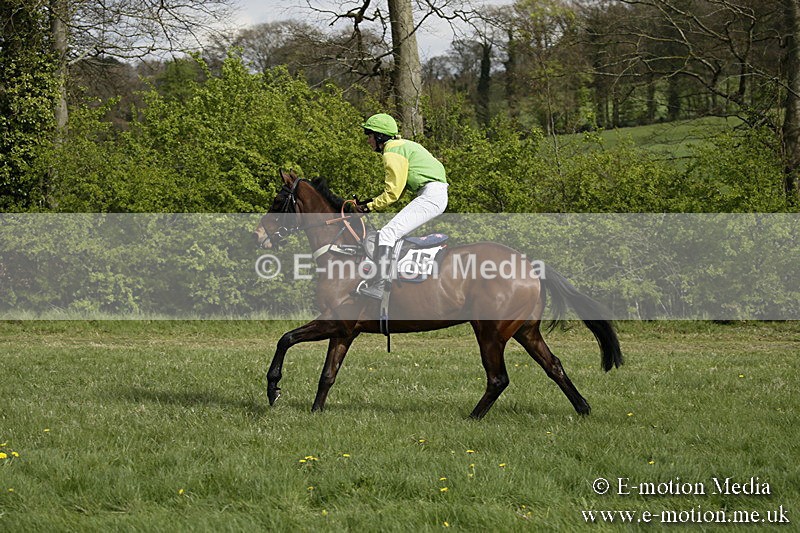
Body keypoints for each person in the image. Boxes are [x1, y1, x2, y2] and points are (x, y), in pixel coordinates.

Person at [356, 113, 448, 299]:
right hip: (433, 193)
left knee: (388, 233)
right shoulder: (404, 145)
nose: (368, 141)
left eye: (370, 136)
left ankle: (380, 286)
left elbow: (393, 193)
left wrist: (368, 207)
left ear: (380, 136)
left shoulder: (392, 152)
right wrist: (371, 202)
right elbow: (401, 188)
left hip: (431, 195)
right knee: (392, 232)